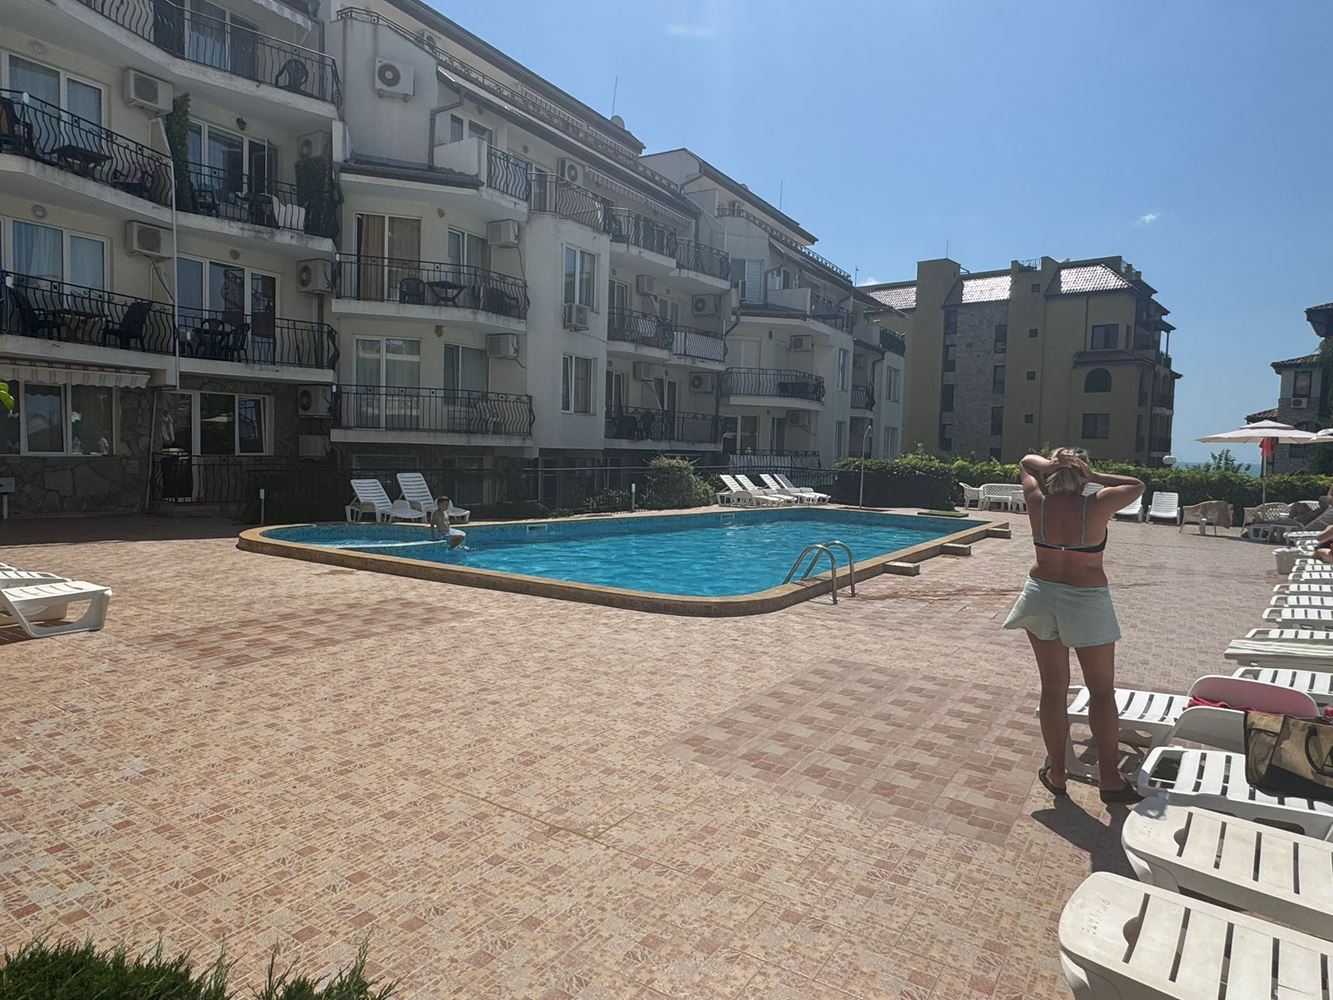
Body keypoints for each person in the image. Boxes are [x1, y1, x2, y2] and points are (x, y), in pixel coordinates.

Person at [1003, 448, 1145, 803]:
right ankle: (1109, 778)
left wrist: (1050, 465)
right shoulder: (1097, 504)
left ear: (1050, 474)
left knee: (1053, 689)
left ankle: (1057, 772)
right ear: (1082, 476)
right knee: (1101, 691)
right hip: (1085, 600)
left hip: (1041, 594)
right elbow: (1137, 485)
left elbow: (1025, 461)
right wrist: (1094, 476)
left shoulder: (1037, 501)